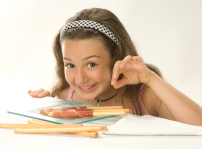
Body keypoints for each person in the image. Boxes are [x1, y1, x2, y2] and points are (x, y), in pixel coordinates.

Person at [28, 8, 202, 126]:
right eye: (70, 65)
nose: (80, 79)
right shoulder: (67, 96)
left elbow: (198, 125)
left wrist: (150, 78)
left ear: (116, 58)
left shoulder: (145, 96)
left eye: (91, 64)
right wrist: (46, 106)